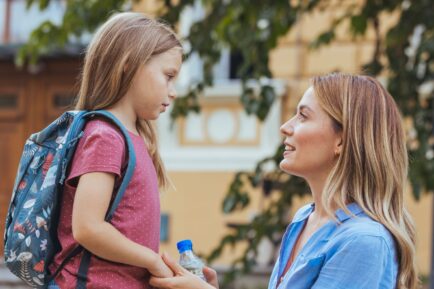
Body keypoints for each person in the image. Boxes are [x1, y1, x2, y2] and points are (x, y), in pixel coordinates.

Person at [149, 73, 418, 289]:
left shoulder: (364, 241)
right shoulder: (305, 219)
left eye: (303, 116)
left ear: (342, 140)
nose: (285, 126)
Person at [48, 12, 183, 289]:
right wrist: (152, 260)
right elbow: (88, 228)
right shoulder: (106, 136)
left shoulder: (133, 138)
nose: (174, 91)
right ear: (129, 65)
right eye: (168, 76)